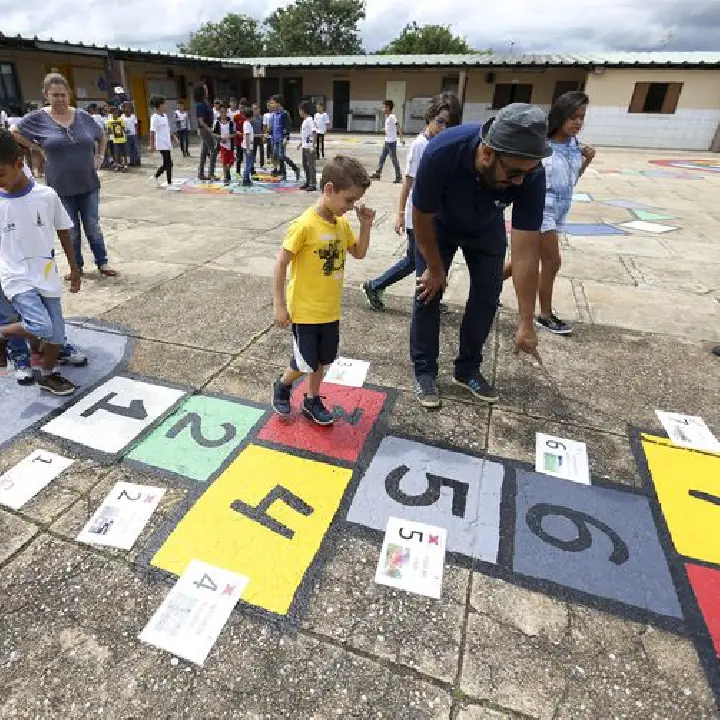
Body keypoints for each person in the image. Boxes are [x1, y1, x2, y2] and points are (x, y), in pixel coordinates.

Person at [410, 103, 550, 409]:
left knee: (487, 295)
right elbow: (420, 217)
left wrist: (527, 321)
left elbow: (526, 253)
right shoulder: (442, 151)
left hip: (486, 227)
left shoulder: (530, 173)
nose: (520, 182)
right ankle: (424, 371)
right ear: (487, 154)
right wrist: (435, 268)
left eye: (528, 173)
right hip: (438, 227)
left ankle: (468, 369)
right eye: (514, 173)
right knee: (428, 292)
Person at [271, 156, 375, 425]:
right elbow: (280, 264)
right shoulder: (304, 225)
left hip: (330, 309)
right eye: (348, 200)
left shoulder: (341, 224)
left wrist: (365, 226)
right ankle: (283, 384)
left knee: (322, 359)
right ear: (329, 189)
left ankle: (311, 399)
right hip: (305, 310)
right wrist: (279, 304)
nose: (350, 207)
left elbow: (359, 252)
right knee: (306, 361)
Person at [503, 91, 595, 336]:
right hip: (540, 208)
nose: (577, 122)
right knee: (552, 262)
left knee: (522, 261)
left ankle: (485, 287)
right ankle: (544, 315)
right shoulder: (541, 146)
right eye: (573, 117)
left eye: (581, 117)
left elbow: (570, 180)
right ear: (561, 116)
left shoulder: (575, 146)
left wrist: (586, 161)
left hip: (560, 209)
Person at [0, 130, 82, 395]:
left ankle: (47, 375)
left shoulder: (46, 195)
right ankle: (3, 333)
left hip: (45, 272)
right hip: (15, 276)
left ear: (19, 163)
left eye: (0, 173)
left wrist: (74, 268)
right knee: (41, 326)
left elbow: (64, 231)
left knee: (56, 334)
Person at [11, 73, 116, 278]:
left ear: (69, 94)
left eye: (63, 95)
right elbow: (13, 131)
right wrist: (37, 147)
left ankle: (102, 262)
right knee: (70, 230)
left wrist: (100, 156)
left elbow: (101, 135)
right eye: (55, 95)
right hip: (60, 187)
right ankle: (76, 266)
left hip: (88, 182)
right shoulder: (38, 118)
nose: (60, 99)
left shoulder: (82, 116)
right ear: (46, 95)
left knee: (93, 225)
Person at [363, 93, 461, 312]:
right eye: (440, 122)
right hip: (417, 217)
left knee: (415, 260)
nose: (444, 128)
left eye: (449, 124)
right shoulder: (421, 145)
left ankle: (377, 286)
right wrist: (400, 214)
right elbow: (408, 182)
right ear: (430, 118)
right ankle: (425, 303)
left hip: (432, 216)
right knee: (423, 263)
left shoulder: (440, 143)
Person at [371, 99, 403, 183]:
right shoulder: (388, 117)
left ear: (388, 107)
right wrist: (384, 129)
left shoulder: (392, 117)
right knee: (382, 158)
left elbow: (398, 126)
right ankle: (378, 174)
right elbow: (390, 128)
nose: (383, 109)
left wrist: (401, 138)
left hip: (391, 142)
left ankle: (398, 176)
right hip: (387, 141)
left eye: (384, 107)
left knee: (394, 160)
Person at [149, 95, 177, 188]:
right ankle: (169, 183)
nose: (166, 106)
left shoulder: (164, 116)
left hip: (167, 142)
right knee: (169, 163)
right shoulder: (154, 117)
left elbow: (168, 129)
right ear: (160, 105)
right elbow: (152, 132)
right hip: (161, 143)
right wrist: (151, 145)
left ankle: (155, 176)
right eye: (165, 104)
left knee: (167, 163)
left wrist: (174, 137)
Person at [270, 95, 300, 182]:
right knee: (277, 155)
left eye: (272, 103)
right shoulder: (274, 114)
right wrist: (270, 134)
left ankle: (295, 168)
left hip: (281, 138)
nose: (271, 105)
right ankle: (282, 172)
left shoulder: (284, 113)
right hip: (275, 138)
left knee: (281, 156)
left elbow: (287, 126)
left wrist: (286, 137)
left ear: (278, 104)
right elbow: (273, 126)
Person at [193, 81, 218, 181]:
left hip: (206, 129)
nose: (207, 90)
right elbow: (201, 121)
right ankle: (211, 174)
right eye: (205, 89)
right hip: (204, 130)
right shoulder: (200, 105)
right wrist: (210, 130)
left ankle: (201, 173)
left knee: (204, 152)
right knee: (214, 150)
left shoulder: (205, 103)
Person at [213, 104, 235, 186]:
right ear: (219, 112)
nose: (223, 114)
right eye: (221, 112)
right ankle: (225, 176)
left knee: (231, 161)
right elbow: (214, 134)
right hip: (222, 145)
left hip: (230, 145)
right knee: (224, 161)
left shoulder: (231, 122)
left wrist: (229, 136)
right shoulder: (217, 123)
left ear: (227, 112)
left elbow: (234, 133)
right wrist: (220, 137)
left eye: (225, 112)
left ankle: (228, 171)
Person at [299, 101, 317, 192]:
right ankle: (307, 181)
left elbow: (314, 132)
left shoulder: (310, 120)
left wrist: (314, 145)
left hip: (309, 147)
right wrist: (300, 143)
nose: (299, 112)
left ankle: (313, 184)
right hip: (304, 146)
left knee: (311, 166)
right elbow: (305, 134)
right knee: (305, 165)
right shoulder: (305, 121)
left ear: (303, 110)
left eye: (300, 110)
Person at [106, 106, 128, 172]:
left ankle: (125, 165)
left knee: (124, 152)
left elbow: (123, 129)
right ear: (112, 113)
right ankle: (117, 165)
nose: (116, 114)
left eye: (117, 113)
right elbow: (109, 131)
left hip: (123, 139)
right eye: (114, 113)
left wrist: (125, 131)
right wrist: (113, 131)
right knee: (116, 153)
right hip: (115, 140)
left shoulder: (121, 120)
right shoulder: (109, 121)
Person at [232, 102, 247, 179]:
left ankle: (248, 172)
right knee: (239, 157)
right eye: (240, 108)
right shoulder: (236, 117)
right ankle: (238, 172)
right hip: (238, 141)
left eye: (243, 108)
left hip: (246, 140)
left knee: (248, 157)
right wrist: (236, 132)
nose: (241, 109)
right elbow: (233, 128)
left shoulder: (247, 117)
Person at [250, 103, 265, 170]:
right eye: (253, 109)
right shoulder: (251, 118)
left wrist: (263, 135)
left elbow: (263, 127)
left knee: (261, 150)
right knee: (253, 151)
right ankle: (252, 164)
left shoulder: (262, 118)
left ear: (259, 109)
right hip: (253, 137)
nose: (254, 110)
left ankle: (262, 164)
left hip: (260, 136)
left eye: (256, 109)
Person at [241, 113, 254, 187]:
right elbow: (247, 135)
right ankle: (245, 178)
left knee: (249, 162)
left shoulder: (247, 124)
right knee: (248, 163)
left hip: (249, 146)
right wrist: (248, 148)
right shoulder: (247, 124)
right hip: (247, 146)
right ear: (250, 117)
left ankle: (247, 177)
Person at [263, 101, 274, 166]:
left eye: (270, 105)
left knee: (273, 146)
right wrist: (264, 134)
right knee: (268, 145)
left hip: (274, 132)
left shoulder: (274, 114)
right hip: (268, 132)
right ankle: (268, 158)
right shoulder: (265, 115)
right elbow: (264, 125)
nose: (269, 107)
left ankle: (273, 158)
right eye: (268, 106)